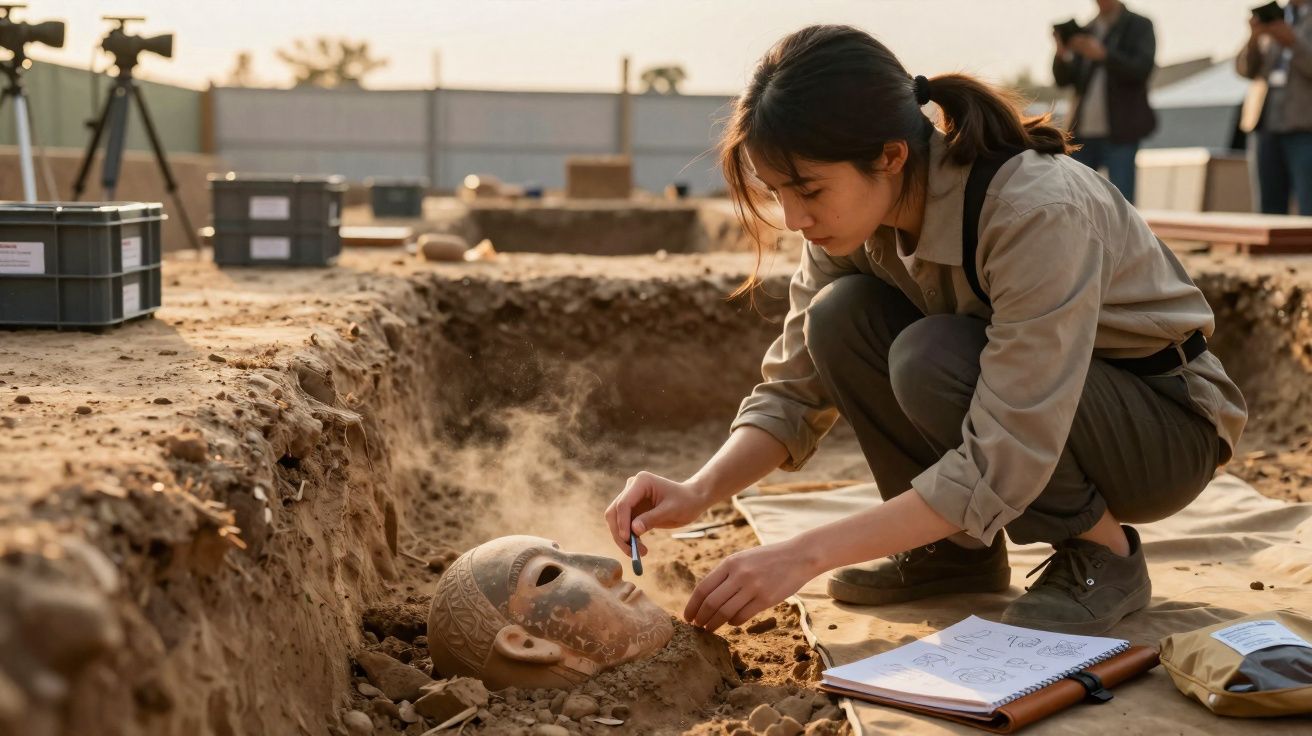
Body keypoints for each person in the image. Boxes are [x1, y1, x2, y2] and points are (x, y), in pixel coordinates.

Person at [603, 25, 1246, 637]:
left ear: (890, 156)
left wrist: (803, 556)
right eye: (778, 192)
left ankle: (1103, 553)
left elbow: (1010, 448)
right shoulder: (848, 220)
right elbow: (793, 388)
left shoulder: (1032, 211)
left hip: (1161, 428)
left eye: (808, 189)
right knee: (839, 317)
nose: (795, 218)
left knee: (929, 356)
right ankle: (951, 550)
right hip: (1045, 413)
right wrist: (699, 490)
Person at [1052, 0, 1157, 204]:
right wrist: (1062, 52)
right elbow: (1063, 80)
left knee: (1122, 205)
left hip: (1121, 132)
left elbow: (1141, 69)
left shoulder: (1138, 25)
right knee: (1075, 202)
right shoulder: (1088, 28)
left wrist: (1103, 55)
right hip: (1081, 134)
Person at [1237, 0, 1312, 215]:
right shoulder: (1275, 17)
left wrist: (1292, 42)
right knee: (1267, 208)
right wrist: (1254, 37)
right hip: (1264, 125)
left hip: (1304, 127)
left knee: (1308, 205)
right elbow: (1244, 69)